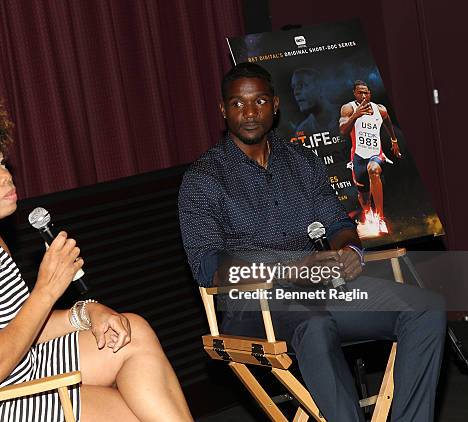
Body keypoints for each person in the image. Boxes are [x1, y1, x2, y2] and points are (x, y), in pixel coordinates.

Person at [0, 83, 193, 422]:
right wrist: (46, 289)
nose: (6, 176)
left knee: (132, 332)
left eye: (2, 162)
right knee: (130, 416)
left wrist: (87, 313)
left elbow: (21, 328)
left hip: (17, 374)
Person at [178, 62, 445, 421]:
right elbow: (207, 267)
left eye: (258, 101)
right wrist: (290, 269)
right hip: (252, 307)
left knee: (426, 307)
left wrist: (350, 250)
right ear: (223, 109)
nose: (249, 112)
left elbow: (338, 224)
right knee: (315, 326)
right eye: (238, 104)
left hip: (321, 291)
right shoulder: (203, 180)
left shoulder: (301, 161)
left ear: (274, 105)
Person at [339, 80, 402, 234]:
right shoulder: (348, 108)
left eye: (366, 92)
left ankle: (380, 218)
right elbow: (343, 130)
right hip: (358, 157)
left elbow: (387, 120)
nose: (364, 95)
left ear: (370, 94)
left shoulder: (379, 109)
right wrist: (356, 115)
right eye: (360, 92)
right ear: (354, 93)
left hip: (376, 154)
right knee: (364, 197)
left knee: (374, 170)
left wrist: (394, 140)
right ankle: (368, 213)